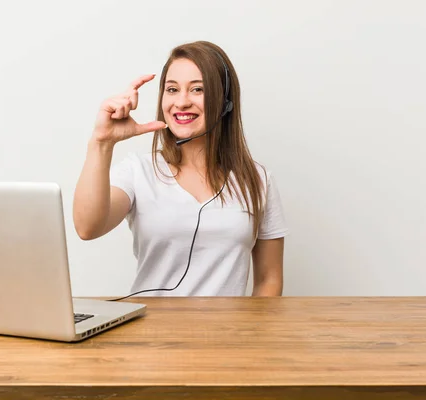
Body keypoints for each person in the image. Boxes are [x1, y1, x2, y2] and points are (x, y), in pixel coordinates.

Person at [73, 41, 288, 298]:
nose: (182, 102)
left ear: (225, 101)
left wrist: (247, 335)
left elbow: (269, 279)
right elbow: (87, 227)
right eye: (172, 89)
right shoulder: (138, 171)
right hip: (151, 333)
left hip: (227, 336)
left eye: (197, 89)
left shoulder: (257, 180)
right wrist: (102, 142)